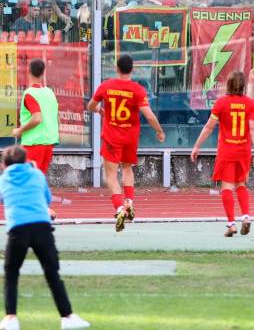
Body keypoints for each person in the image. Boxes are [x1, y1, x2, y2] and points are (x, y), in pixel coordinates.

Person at [0, 146, 91, 330]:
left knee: (11, 274)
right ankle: (68, 317)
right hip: (42, 228)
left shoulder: (3, 180)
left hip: (18, 229)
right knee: (52, 274)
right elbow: (46, 199)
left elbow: (3, 198)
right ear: (26, 161)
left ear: (4, 164)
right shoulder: (37, 175)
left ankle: (11, 319)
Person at [87, 54, 165, 232]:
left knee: (111, 176)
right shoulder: (137, 90)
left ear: (116, 68)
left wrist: (101, 110)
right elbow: (148, 114)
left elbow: (91, 105)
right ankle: (129, 201)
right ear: (132, 70)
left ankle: (119, 208)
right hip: (130, 137)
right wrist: (159, 131)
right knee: (128, 168)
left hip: (111, 137)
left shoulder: (106, 86)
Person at [190, 72, 254, 237]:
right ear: (243, 86)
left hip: (227, 151)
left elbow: (209, 127)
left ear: (227, 85)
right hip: (243, 151)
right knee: (241, 184)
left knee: (227, 187)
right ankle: (246, 216)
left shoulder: (221, 104)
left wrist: (196, 146)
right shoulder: (251, 104)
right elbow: (253, 127)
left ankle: (231, 224)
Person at [11, 59, 58, 175]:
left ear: (29, 72)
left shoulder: (30, 93)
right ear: (43, 73)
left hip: (34, 143)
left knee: (28, 179)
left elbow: (37, 118)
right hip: (48, 143)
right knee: (38, 178)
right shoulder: (50, 93)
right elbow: (56, 117)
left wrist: (19, 130)